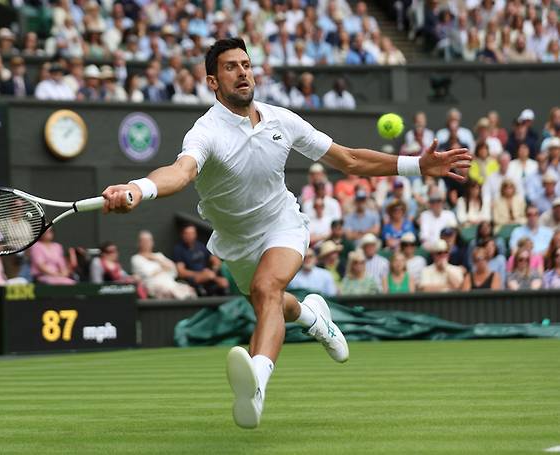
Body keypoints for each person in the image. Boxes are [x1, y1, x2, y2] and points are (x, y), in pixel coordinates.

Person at [100, 38, 470, 429]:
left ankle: (256, 384)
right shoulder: (205, 132)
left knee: (267, 290)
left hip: (283, 225)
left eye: (246, 64)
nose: (242, 72)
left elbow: (347, 159)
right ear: (212, 81)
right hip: (237, 243)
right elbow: (180, 172)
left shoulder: (282, 120)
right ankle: (313, 318)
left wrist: (416, 165)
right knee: (273, 304)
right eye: (230, 67)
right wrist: (140, 188)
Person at [131, 230, 196, 299]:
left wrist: (157, 259)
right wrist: (163, 268)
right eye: (144, 241)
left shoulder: (158, 256)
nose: (147, 243)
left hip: (171, 284)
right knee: (175, 293)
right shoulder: (136, 258)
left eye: (149, 240)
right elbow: (148, 274)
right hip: (154, 288)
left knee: (191, 290)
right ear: (139, 243)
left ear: (152, 242)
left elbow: (174, 270)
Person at [173, 224, 229, 296]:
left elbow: (216, 260)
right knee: (204, 278)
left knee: (224, 282)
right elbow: (181, 272)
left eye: (192, 233)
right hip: (193, 278)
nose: (190, 236)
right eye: (188, 233)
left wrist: (213, 270)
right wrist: (199, 274)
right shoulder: (179, 249)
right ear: (183, 235)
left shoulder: (200, 246)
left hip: (209, 275)